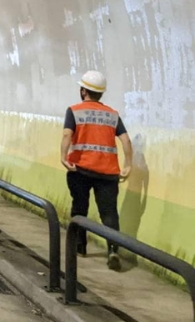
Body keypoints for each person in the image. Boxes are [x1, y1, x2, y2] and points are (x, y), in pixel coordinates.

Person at [61, 70, 133, 271]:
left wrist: (63, 157)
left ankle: (80, 246)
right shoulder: (112, 114)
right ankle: (112, 250)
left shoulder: (74, 111)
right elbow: (126, 140)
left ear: (83, 91)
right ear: (101, 93)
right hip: (108, 172)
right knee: (109, 213)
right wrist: (128, 164)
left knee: (80, 208)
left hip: (80, 169)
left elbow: (67, 135)